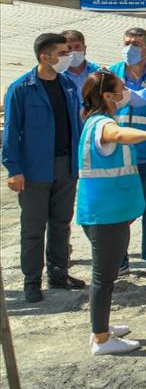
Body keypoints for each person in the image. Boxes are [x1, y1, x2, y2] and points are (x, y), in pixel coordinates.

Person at [76, 71, 146, 355]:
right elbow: (117, 135)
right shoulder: (103, 124)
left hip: (108, 211)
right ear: (108, 96)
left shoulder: (95, 120)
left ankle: (101, 326)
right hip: (104, 214)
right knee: (103, 277)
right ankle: (101, 338)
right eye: (121, 89)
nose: (126, 93)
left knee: (104, 276)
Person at [3, 34, 86, 302]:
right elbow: (11, 133)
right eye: (62, 53)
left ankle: (59, 272)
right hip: (34, 169)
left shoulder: (67, 85)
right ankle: (32, 280)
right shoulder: (21, 88)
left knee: (61, 223)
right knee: (33, 228)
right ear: (44, 57)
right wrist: (14, 169)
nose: (68, 57)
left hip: (65, 165)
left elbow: (76, 124)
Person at [109, 28, 146, 278]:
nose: (131, 47)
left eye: (137, 43)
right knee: (119, 210)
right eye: (127, 42)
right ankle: (119, 259)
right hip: (118, 153)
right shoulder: (110, 74)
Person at [62, 29, 102, 98]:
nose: (73, 51)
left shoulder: (97, 72)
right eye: (69, 48)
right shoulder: (58, 75)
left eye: (77, 47)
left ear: (85, 49)